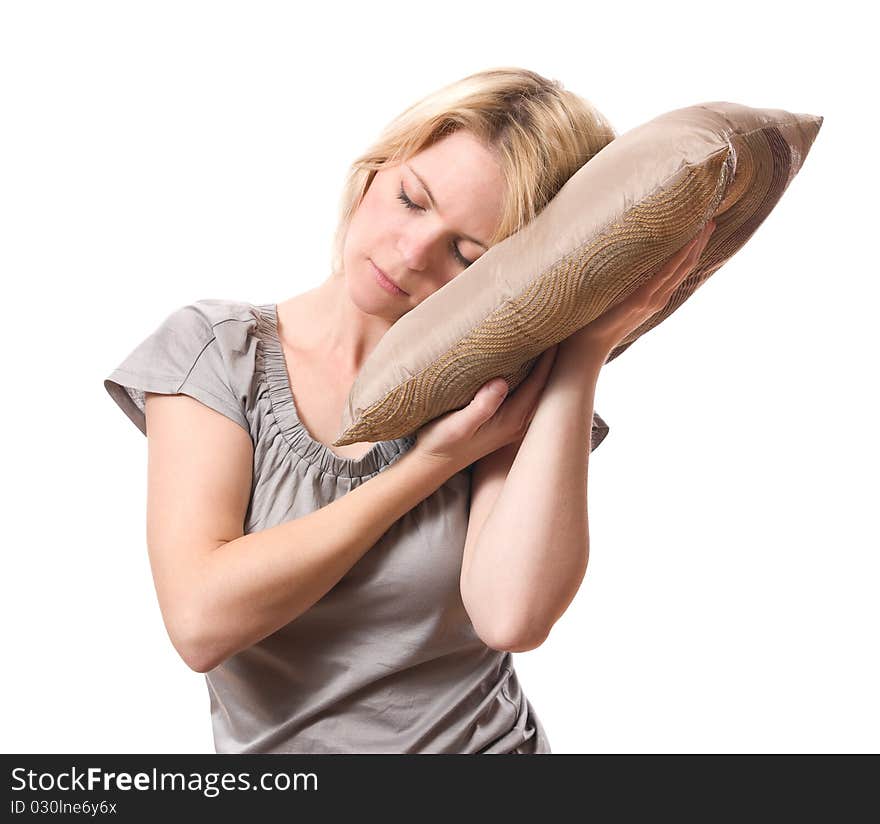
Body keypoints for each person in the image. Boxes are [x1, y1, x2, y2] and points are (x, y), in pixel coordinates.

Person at [103, 66, 715, 754]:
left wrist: (584, 348)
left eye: (465, 252)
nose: (412, 251)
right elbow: (201, 620)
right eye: (412, 200)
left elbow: (513, 616)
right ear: (375, 172)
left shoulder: (502, 395)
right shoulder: (217, 352)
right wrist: (431, 465)